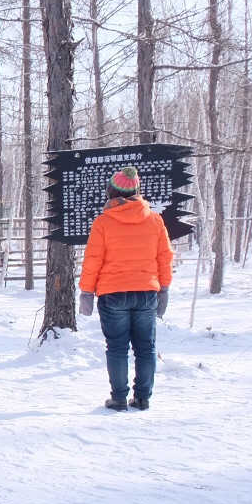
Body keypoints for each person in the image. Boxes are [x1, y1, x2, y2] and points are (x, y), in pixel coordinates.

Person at [79, 166, 175, 411]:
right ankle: (142, 398)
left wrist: (86, 292)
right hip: (146, 292)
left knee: (117, 347)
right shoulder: (155, 220)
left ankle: (119, 398)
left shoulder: (103, 222)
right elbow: (165, 257)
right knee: (146, 347)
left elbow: (93, 260)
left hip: (112, 294)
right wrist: (163, 288)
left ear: (111, 191)